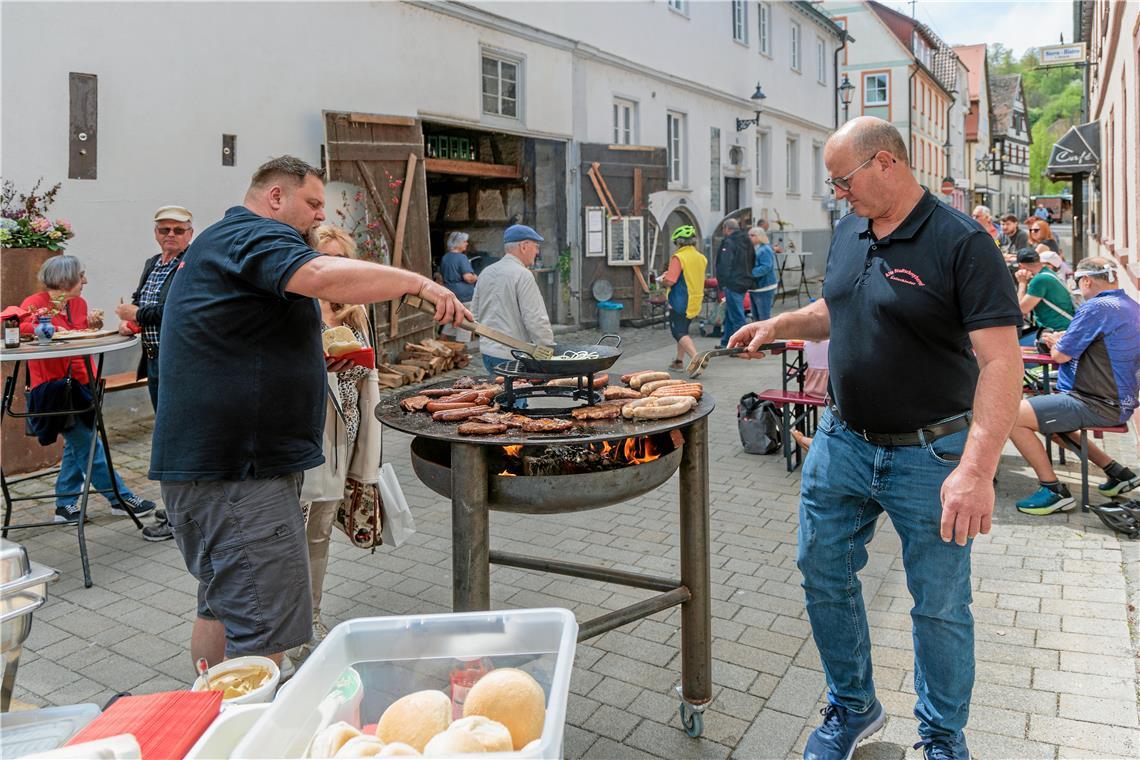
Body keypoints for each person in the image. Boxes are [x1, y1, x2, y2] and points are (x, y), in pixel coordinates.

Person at [730, 117, 1022, 760]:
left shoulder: (963, 243)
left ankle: (943, 736)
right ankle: (854, 707)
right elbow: (838, 307)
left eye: (843, 179)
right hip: (842, 440)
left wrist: (976, 469)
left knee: (939, 604)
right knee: (821, 569)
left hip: (933, 454)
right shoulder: (849, 229)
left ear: (885, 163)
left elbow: (1003, 364)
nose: (838, 193)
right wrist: (777, 324)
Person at [151, 156, 467, 669]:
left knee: (221, 604)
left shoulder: (223, 242)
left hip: (208, 468)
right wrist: (420, 284)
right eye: (313, 203)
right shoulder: (253, 235)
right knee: (261, 624)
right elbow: (322, 274)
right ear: (276, 197)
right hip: (241, 475)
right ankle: (256, 730)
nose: (321, 216)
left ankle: (208, 719)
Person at [290, 224, 380, 662]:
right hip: (300, 437)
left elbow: (369, 378)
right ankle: (285, 624)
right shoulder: (290, 308)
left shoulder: (355, 312)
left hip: (341, 435)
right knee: (289, 532)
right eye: (324, 261)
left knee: (320, 532)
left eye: (341, 261)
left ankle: (314, 616)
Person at [19, 255, 157, 524]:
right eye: (80, 275)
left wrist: (90, 326)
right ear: (65, 279)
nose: (85, 281)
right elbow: (21, 328)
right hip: (56, 388)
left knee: (77, 443)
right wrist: (46, 325)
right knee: (89, 445)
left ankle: (65, 504)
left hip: (84, 382)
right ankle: (120, 498)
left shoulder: (79, 304)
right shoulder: (34, 305)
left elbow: (77, 339)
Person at [1007, 258, 1140, 514]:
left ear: (1087, 280)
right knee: (1051, 424)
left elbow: (1060, 356)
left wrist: (1056, 341)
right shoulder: (1130, 305)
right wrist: (1065, 341)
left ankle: (1054, 490)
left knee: (1011, 417)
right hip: (1118, 401)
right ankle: (1117, 472)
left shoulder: (1097, 307)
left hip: (1094, 401)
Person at [116, 205, 194, 542]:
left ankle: (182, 517)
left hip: (180, 363)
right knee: (166, 437)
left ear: (190, 233)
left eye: (178, 230)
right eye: (165, 230)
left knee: (176, 439)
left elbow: (178, 312)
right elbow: (141, 300)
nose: (171, 236)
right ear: (155, 233)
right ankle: (179, 508)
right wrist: (129, 321)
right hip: (154, 360)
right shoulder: (153, 263)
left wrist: (138, 313)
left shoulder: (190, 265)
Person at [469, 224, 554, 377]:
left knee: (498, 397)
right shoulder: (523, 275)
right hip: (513, 355)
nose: (537, 251)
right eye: (536, 246)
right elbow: (535, 318)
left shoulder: (486, 272)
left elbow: (473, 313)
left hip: (488, 353)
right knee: (516, 398)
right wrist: (548, 349)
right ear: (523, 246)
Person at [659, 225, 707, 370]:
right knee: (683, 331)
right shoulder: (701, 258)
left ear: (679, 242)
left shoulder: (678, 257)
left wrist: (662, 280)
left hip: (680, 300)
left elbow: (670, 281)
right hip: (695, 300)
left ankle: (697, 358)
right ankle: (679, 362)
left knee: (678, 332)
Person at [1014, 248, 1074, 345]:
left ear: (1021, 266)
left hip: (1056, 331)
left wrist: (1022, 283)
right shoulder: (1047, 273)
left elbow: (1020, 311)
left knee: (1016, 346)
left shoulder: (1039, 280)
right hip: (1063, 327)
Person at [713, 218, 752, 349]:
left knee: (737, 316)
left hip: (733, 283)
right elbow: (753, 259)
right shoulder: (747, 240)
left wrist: (723, 282)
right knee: (730, 314)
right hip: (744, 281)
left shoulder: (729, 242)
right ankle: (726, 343)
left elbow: (725, 264)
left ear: (726, 228)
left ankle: (741, 345)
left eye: (723, 229)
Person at [439, 231, 476, 343]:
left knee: (452, 320)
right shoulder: (461, 258)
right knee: (466, 323)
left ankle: (441, 344)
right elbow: (468, 277)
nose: (467, 244)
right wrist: (476, 277)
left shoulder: (446, 257)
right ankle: (460, 351)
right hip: (464, 296)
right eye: (465, 241)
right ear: (458, 243)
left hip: (451, 293)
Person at [747, 226, 778, 323]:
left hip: (764, 287)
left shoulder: (765, 250)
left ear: (760, 237)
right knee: (756, 317)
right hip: (755, 288)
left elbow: (766, 267)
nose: (749, 237)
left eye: (752, 235)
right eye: (749, 235)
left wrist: (750, 273)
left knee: (763, 318)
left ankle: (766, 337)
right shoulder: (754, 248)